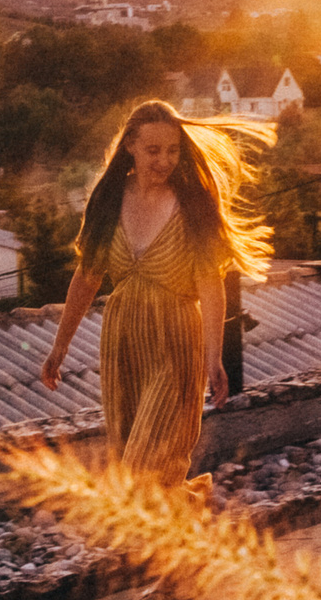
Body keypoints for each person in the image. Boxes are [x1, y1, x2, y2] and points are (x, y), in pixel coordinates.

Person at [38, 100, 271, 484]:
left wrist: (214, 358)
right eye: (153, 150)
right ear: (129, 144)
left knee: (143, 469)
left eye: (173, 150)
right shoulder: (108, 199)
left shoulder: (194, 203)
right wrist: (59, 347)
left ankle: (184, 522)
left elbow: (210, 285)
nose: (165, 160)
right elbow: (88, 275)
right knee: (141, 471)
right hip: (121, 347)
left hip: (174, 346)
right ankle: (181, 531)